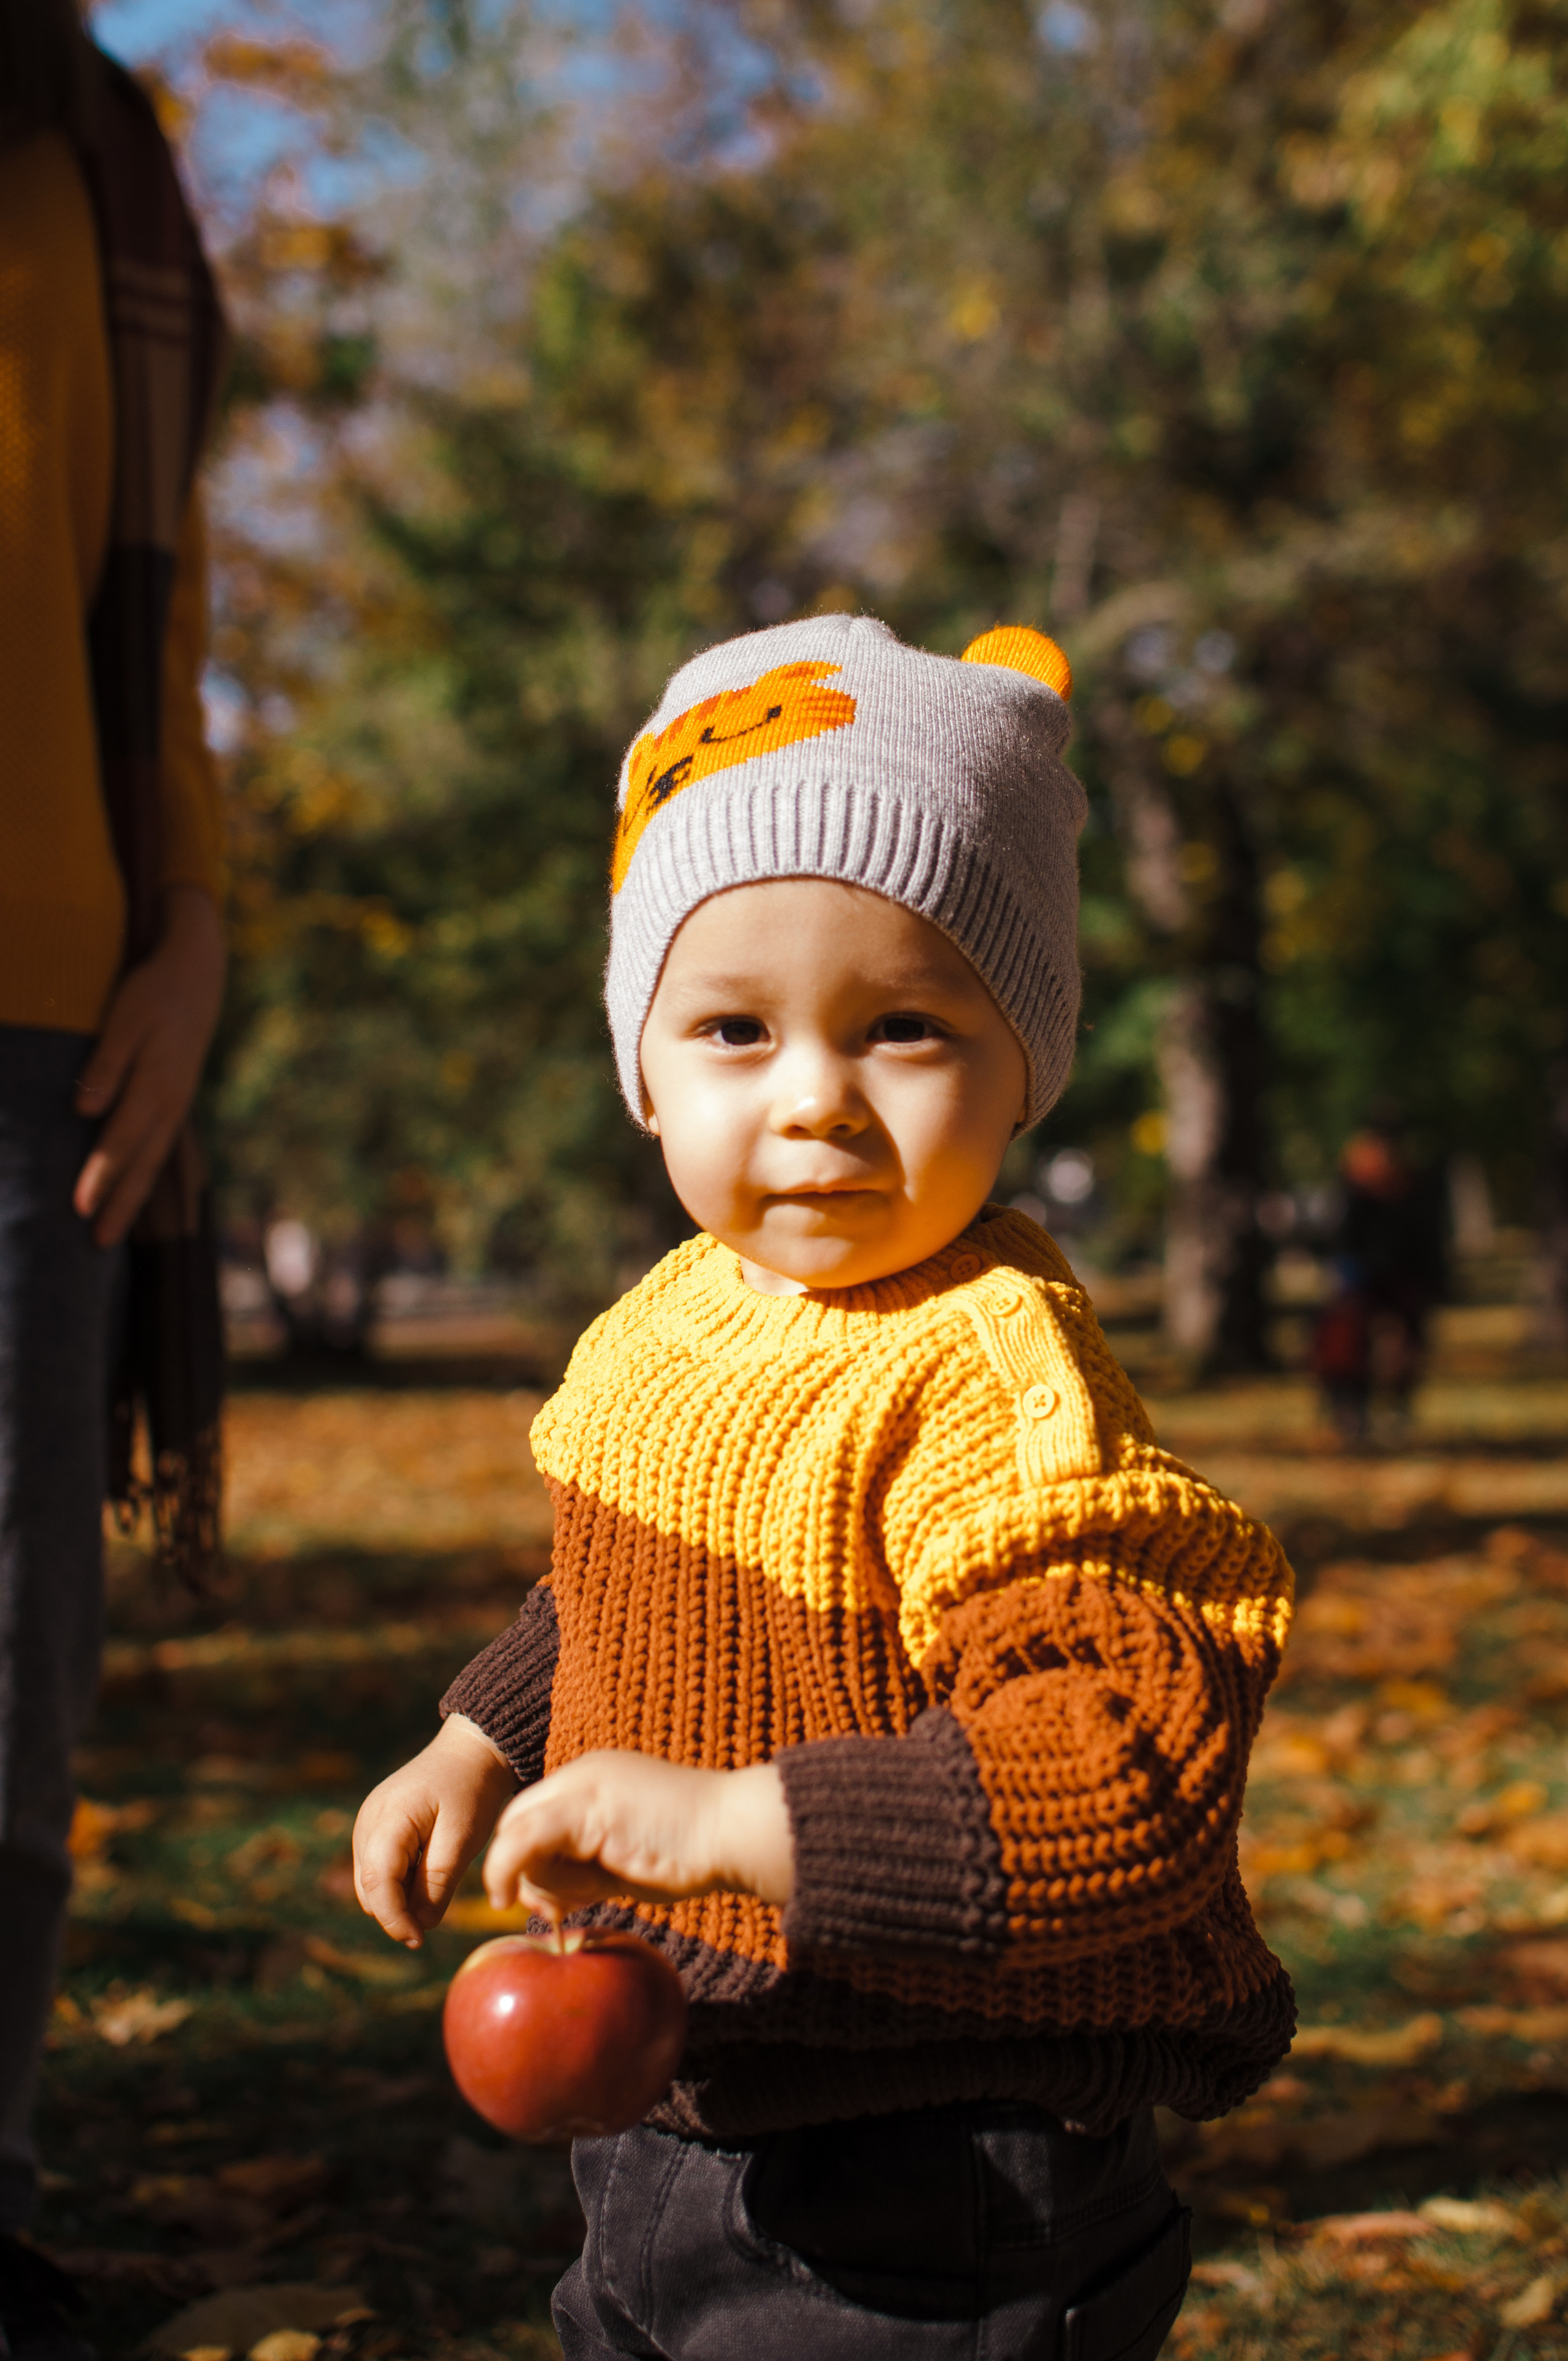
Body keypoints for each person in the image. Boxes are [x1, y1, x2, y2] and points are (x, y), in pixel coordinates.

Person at [355, 617, 1296, 2358]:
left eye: (906, 1027)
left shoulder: (989, 1375)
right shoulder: (672, 1324)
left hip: (941, 2148)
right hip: (669, 2096)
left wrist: (739, 1826)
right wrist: (479, 1733)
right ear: (644, 1070)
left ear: (1028, 1060)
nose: (814, 1102)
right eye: (732, 1025)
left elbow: (1130, 1746)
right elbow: (620, 1596)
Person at [0, 8, 227, 2354]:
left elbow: (142, 618)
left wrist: (196, 919)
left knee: (4, 1668)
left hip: (44, 1006)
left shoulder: (88, 150)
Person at [1311, 1109, 1447, 1447]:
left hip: (1403, 1275)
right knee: (1345, 1338)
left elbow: (1427, 1238)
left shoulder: (1414, 1183)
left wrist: (1431, 1278)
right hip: (1359, 1273)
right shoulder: (1353, 1180)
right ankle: (1349, 1407)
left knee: (1406, 1344)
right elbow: (1340, 1236)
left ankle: (1397, 1404)